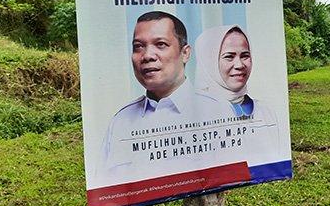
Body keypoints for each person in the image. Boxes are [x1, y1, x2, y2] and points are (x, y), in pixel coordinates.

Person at [98, 11, 232, 185]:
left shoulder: (217, 110)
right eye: (138, 46)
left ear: (185, 53)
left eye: (160, 44)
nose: (147, 56)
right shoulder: (121, 121)